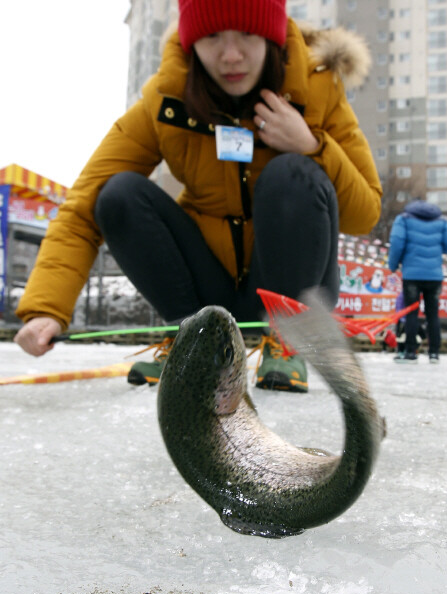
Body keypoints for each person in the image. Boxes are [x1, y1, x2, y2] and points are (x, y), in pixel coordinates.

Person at [14, 0, 382, 392]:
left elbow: (365, 214)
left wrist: (311, 146)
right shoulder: (166, 101)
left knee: (292, 173)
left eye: (246, 33)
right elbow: (82, 208)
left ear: (271, 35)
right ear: (191, 42)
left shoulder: (318, 86)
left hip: (289, 286)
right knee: (118, 194)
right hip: (207, 287)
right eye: (211, 36)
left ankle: (286, 345)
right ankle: (194, 343)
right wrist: (46, 310)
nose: (231, 55)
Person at [388, 200, 447, 364]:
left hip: (411, 274)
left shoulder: (403, 219)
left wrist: (393, 265)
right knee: (432, 314)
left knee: (411, 313)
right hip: (434, 276)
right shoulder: (442, 221)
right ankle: (434, 353)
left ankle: (410, 352)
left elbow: (397, 243)